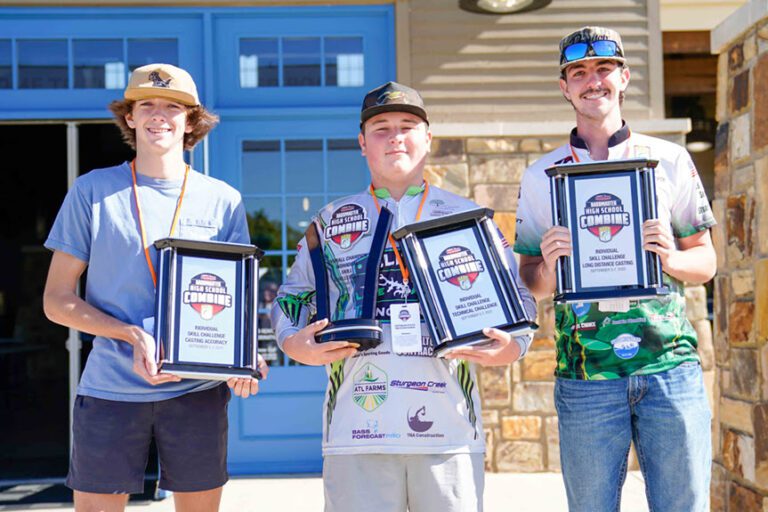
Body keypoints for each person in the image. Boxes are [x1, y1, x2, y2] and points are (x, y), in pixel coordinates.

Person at [270, 81, 537, 512]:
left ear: (427, 139)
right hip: (356, 431)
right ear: (362, 142)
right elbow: (290, 298)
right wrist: (292, 343)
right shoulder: (329, 220)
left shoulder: (467, 218)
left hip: (448, 432)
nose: (395, 136)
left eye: (408, 126)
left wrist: (513, 347)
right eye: (381, 128)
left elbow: (519, 302)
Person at [43, 63, 267, 512]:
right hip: (111, 389)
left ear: (191, 121)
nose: (159, 115)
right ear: (129, 116)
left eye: (173, 106)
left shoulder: (223, 200)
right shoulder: (92, 191)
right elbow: (57, 300)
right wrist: (131, 334)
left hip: (197, 390)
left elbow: (234, 301)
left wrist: (243, 356)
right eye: (147, 104)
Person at [514, 27, 717, 512]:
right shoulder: (542, 175)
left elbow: (706, 262)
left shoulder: (668, 159)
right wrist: (550, 264)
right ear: (565, 87)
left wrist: (669, 260)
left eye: (604, 69)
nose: (593, 81)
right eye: (578, 73)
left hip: (669, 367)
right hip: (586, 375)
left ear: (623, 77)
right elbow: (529, 282)